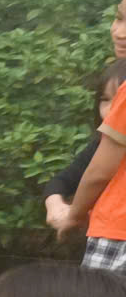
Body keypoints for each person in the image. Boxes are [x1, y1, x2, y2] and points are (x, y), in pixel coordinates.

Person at [52, 0, 126, 275]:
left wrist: (74, 216)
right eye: (119, 18)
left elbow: (98, 172)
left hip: (117, 232)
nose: (119, 32)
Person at [43, 58, 126, 229]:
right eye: (105, 99)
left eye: (119, 101)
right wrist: (55, 205)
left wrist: (74, 216)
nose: (111, 109)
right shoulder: (98, 145)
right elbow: (62, 181)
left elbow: (97, 175)